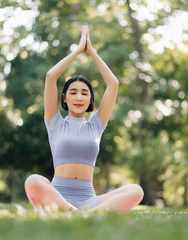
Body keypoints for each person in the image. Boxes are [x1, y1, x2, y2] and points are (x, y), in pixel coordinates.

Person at [24, 25, 144, 212]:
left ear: (90, 100)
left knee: (136, 191)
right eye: (73, 92)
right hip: (58, 196)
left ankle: (82, 215)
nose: (79, 97)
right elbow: (50, 77)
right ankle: (75, 213)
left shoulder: (96, 125)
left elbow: (113, 84)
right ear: (64, 98)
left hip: (90, 200)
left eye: (84, 93)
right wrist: (79, 50)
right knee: (33, 181)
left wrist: (92, 52)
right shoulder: (54, 122)